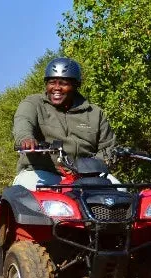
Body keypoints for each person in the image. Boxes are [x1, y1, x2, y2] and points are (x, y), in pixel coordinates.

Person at [12, 57, 117, 190]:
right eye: (52, 82)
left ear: (75, 86)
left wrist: (90, 167)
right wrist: (26, 139)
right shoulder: (33, 104)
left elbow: (108, 147)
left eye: (63, 83)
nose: (56, 88)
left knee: (120, 190)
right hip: (42, 173)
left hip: (87, 177)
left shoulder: (95, 113)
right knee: (31, 194)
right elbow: (23, 123)